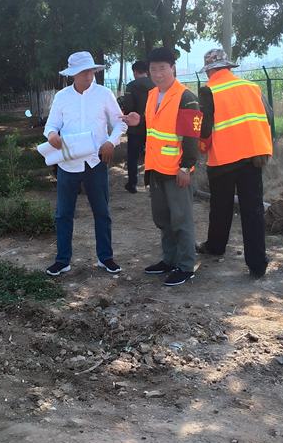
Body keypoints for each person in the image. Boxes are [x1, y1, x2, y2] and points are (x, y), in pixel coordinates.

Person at [122, 47, 201, 286]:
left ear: (172, 68)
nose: (158, 74)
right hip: (155, 168)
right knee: (163, 219)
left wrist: (186, 167)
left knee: (181, 220)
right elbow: (153, 125)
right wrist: (138, 121)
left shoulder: (186, 97)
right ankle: (169, 260)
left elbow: (192, 136)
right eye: (153, 69)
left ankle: (185, 266)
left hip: (177, 171)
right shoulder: (152, 94)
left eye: (162, 68)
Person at [44, 51, 126, 276]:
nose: (88, 76)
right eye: (83, 72)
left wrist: (110, 142)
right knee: (63, 214)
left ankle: (105, 257)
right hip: (68, 163)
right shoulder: (62, 97)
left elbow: (120, 123)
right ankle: (62, 260)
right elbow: (51, 125)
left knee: (102, 212)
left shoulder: (104, 94)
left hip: (95, 162)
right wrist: (51, 135)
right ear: (73, 74)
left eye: (90, 71)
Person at [195, 48, 273, 278]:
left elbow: (205, 129)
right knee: (253, 210)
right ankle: (257, 265)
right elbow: (268, 117)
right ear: (228, 67)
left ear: (209, 70)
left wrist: (200, 147)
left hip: (223, 159)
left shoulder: (208, 90)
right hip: (253, 156)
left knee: (221, 207)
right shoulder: (252, 87)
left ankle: (216, 246)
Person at [118, 61, 154, 193]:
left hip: (135, 128)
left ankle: (132, 184)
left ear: (134, 72)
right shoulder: (154, 85)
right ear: (147, 71)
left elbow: (128, 107)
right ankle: (151, 183)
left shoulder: (131, 86)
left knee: (132, 156)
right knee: (152, 155)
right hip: (153, 127)